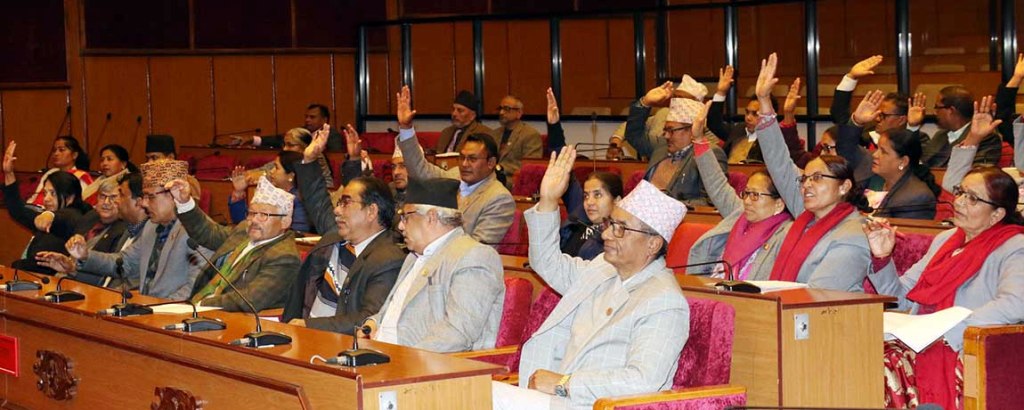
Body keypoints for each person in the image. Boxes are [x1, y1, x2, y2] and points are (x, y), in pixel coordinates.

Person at [493, 147, 689, 410]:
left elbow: (642, 381)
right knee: (474, 394)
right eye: (610, 224)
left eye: (620, 229)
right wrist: (549, 200)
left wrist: (565, 383)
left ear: (653, 244)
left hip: (591, 404)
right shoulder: (603, 268)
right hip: (556, 398)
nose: (606, 235)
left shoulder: (664, 301)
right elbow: (547, 263)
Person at [864, 167, 1024, 409]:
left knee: (882, 363)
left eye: (972, 198)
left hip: (961, 344)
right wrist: (882, 258)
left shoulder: (1014, 247)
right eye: (960, 192)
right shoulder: (946, 240)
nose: (958, 201)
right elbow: (901, 298)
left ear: (997, 214)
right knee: (858, 348)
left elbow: (1015, 304)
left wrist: (947, 329)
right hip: (918, 335)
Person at [756, 53, 872, 292]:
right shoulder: (805, 213)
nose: (806, 185)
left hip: (822, 311)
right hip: (782, 306)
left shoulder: (853, 232)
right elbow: (778, 161)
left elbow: (819, 295)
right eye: (805, 178)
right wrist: (764, 102)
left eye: (817, 178)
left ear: (844, 186)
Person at [360, 177, 505, 353]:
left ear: (431, 217)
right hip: (382, 353)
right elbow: (395, 309)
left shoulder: (474, 256)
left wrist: (403, 358)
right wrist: (373, 323)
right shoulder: (413, 256)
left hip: (425, 362)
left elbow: (457, 333)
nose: (400, 226)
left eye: (406, 217)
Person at [281, 130, 405, 333]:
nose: (337, 210)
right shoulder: (336, 236)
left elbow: (368, 318)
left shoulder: (389, 259)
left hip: (336, 343)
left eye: (345, 203)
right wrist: (309, 160)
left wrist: (309, 326)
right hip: (297, 333)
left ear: (371, 211)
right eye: (339, 203)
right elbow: (318, 201)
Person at [67, 160, 211, 299]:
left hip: (171, 311)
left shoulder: (200, 230)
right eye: (144, 196)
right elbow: (124, 263)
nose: (144, 203)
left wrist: (156, 308)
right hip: (147, 308)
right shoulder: (151, 226)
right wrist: (85, 255)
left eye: (150, 197)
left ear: (174, 194)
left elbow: (196, 287)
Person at [394, 86, 516, 245]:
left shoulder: (499, 198)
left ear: (491, 163)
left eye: (472, 159)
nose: (464, 164)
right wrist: (406, 128)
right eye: (462, 157)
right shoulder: (453, 176)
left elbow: (478, 247)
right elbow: (419, 170)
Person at [687, 101, 793, 279]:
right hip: (712, 287)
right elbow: (717, 185)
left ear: (779, 204)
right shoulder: (740, 213)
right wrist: (698, 140)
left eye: (755, 195)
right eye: (746, 193)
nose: (747, 201)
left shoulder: (785, 233)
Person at [173, 177, 301, 312]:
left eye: (263, 215)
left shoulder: (285, 257)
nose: (254, 220)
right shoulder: (244, 231)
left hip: (232, 317)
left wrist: (200, 304)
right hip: (199, 307)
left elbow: (249, 300)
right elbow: (208, 233)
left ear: (285, 222)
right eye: (252, 213)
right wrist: (185, 203)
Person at [626, 77, 728, 206]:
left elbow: (712, 201)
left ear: (691, 130)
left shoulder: (709, 154)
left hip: (681, 216)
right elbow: (633, 134)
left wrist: (667, 205)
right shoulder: (661, 145)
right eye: (665, 130)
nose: (666, 135)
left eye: (671, 130)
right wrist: (645, 102)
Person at [841, 90, 940, 219]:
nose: (875, 155)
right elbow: (845, 149)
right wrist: (857, 122)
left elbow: (912, 156)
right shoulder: (870, 172)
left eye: (883, 152)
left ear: (903, 161)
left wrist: (912, 128)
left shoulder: (915, 196)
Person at [3, 142, 92, 275]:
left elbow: (65, 217)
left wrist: (50, 215)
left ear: (70, 197)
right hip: (29, 274)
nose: (46, 199)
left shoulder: (77, 215)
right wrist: (9, 173)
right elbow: (18, 210)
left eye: (53, 193)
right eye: (45, 193)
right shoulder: (45, 217)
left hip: (51, 280)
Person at [709, 65, 807, 164]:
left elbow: (794, 152)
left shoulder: (775, 137)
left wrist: (788, 113)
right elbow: (714, 123)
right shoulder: (738, 130)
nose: (748, 118)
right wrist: (721, 92)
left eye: (755, 114)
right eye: (747, 112)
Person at [829, 55, 929, 149]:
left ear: (901, 120)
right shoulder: (865, 136)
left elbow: (911, 154)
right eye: (877, 114)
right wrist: (851, 77)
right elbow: (840, 117)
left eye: (882, 115)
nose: (877, 119)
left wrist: (912, 127)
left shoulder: (920, 140)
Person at [908, 85, 1001, 167]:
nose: (934, 112)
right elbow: (918, 160)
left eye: (937, 107)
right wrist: (913, 126)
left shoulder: (985, 138)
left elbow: (977, 172)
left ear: (951, 110)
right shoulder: (940, 135)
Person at [228, 150, 312, 233]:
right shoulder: (268, 193)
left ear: (290, 176)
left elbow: (299, 232)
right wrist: (239, 191)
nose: (271, 171)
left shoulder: (299, 199)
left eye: (276, 168)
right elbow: (241, 222)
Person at [233, 104, 344, 151]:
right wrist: (252, 139)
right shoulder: (301, 131)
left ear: (324, 120)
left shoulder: (333, 136)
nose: (307, 120)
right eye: (306, 117)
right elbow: (278, 140)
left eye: (312, 117)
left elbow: (335, 157)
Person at [490, 95, 543, 187]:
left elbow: (531, 167)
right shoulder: (494, 134)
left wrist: (500, 168)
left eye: (507, 109)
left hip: (513, 180)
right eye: (500, 109)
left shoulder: (530, 135)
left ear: (519, 113)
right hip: (491, 177)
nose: (501, 112)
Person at [26, 136, 94, 208]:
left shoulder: (80, 176)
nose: (56, 153)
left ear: (74, 155)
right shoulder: (51, 172)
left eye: (61, 150)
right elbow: (36, 197)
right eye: (54, 150)